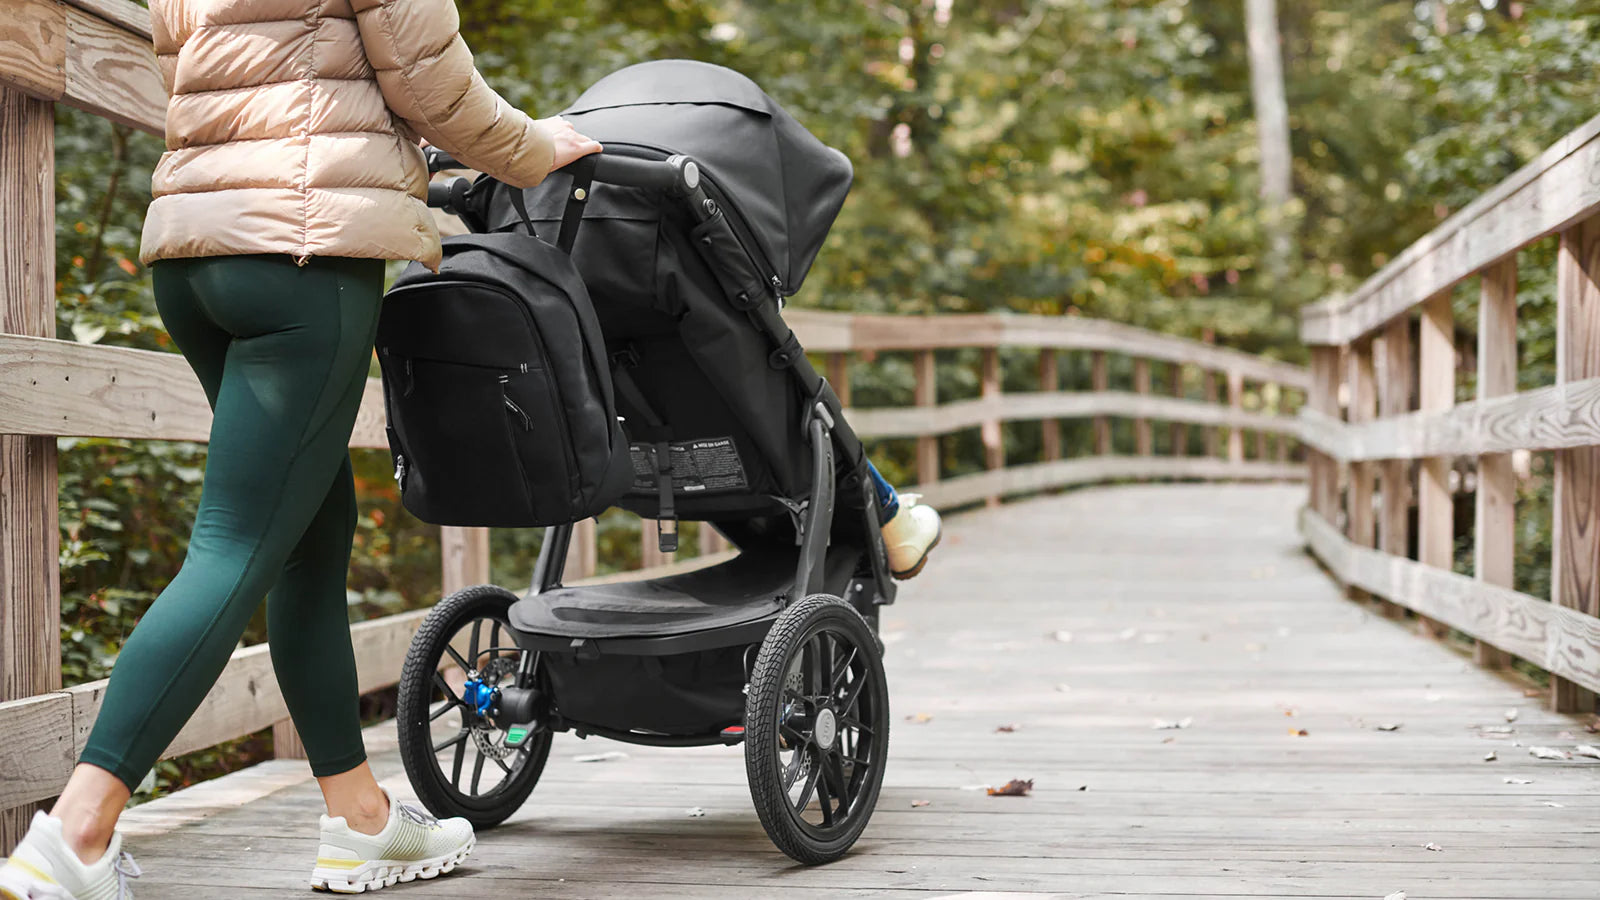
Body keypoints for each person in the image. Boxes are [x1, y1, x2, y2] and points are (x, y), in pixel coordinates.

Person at [0, 1, 940, 896]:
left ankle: (358, 818)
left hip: (197, 251)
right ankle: (77, 834)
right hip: (304, 254)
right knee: (238, 545)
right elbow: (427, 75)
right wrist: (537, 149)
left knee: (309, 539)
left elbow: (204, 72)